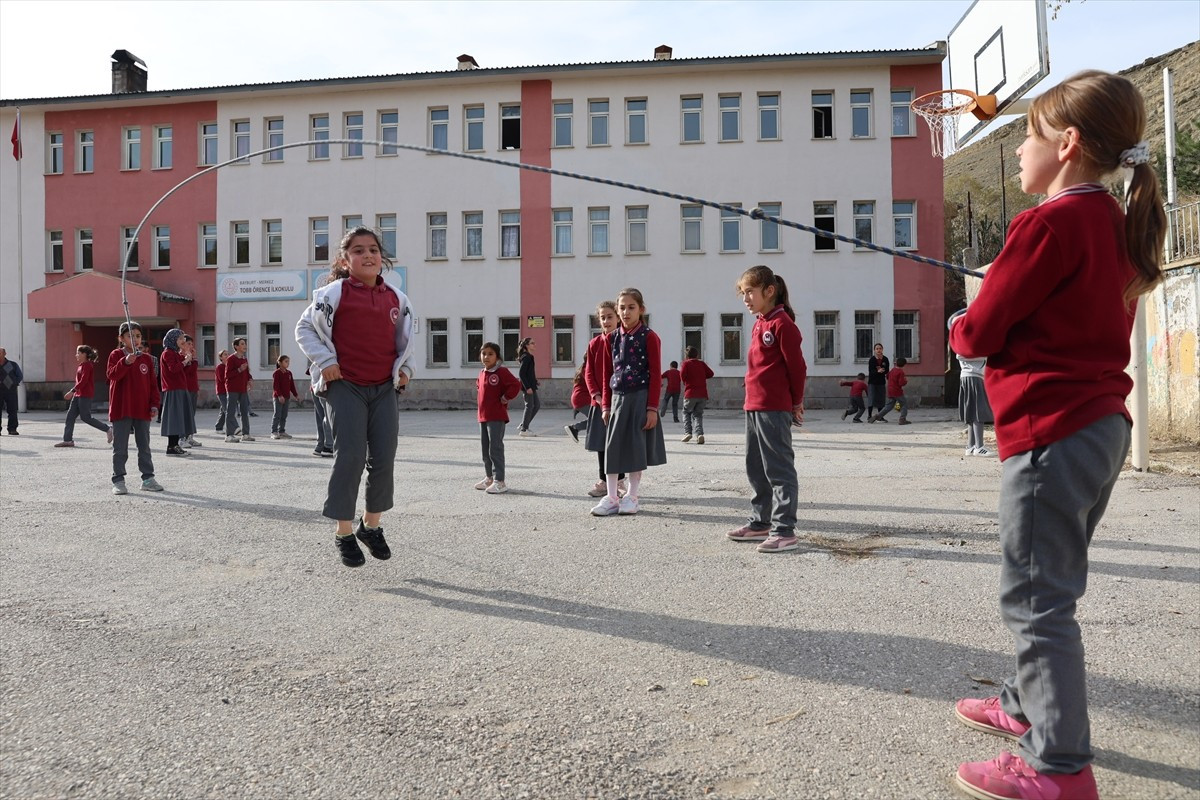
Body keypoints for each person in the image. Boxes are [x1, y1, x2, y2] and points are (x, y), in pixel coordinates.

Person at [947, 70, 1166, 800]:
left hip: (1052, 434)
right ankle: (1022, 707)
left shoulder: (1045, 222)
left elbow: (978, 333)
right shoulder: (1112, 218)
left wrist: (960, 323)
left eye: (1028, 137)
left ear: (1066, 145)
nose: (1015, 153)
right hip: (1099, 429)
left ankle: (1059, 768)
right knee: (1047, 586)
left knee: (1039, 598)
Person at [296, 225, 414, 569]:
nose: (368, 255)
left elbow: (406, 342)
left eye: (373, 249)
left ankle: (370, 526)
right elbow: (303, 328)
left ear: (382, 257)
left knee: (384, 457)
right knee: (349, 454)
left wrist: (407, 370)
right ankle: (344, 532)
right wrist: (326, 361)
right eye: (358, 250)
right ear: (345, 260)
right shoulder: (333, 293)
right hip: (344, 384)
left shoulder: (398, 299)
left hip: (383, 388)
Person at [726, 265, 806, 553]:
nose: (745, 298)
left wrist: (796, 402)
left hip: (774, 408)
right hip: (754, 406)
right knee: (756, 467)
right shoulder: (760, 322)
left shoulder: (782, 324)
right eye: (742, 293)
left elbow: (797, 368)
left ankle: (785, 530)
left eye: (750, 291)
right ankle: (760, 523)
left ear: (769, 291)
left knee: (779, 469)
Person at [592, 288, 666, 516]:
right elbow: (606, 374)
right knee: (612, 447)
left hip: (640, 398)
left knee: (635, 448)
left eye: (631, 307)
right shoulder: (612, 338)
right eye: (621, 308)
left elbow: (655, 374)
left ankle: (632, 497)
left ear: (641, 310)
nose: (625, 312)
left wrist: (652, 408)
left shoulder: (649, 337)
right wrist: (605, 405)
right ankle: (612, 496)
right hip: (617, 399)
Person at [107, 322, 163, 494]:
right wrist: (125, 362)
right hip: (122, 408)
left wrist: (154, 404)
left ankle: (147, 478)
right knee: (120, 447)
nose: (136, 339)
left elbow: (153, 385)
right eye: (131, 336)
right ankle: (118, 480)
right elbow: (112, 375)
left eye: (138, 336)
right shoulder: (116, 355)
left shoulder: (146, 359)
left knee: (144, 446)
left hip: (142, 409)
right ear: (121, 339)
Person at [583, 300, 626, 499]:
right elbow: (589, 372)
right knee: (602, 444)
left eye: (610, 316)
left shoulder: (624, 341)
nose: (606, 321)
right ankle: (603, 480)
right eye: (603, 318)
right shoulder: (594, 343)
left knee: (620, 442)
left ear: (617, 317)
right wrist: (596, 395)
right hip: (599, 403)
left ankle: (620, 480)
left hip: (620, 400)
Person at [475, 341, 522, 494]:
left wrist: (505, 397)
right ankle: (489, 477)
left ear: (497, 356)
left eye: (490, 354)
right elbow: (479, 387)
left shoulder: (501, 372)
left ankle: (499, 481)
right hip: (483, 416)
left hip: (496, 416)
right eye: (484, 354)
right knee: (485, 449)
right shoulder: (482, 373)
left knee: (495, 448)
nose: (486, 357)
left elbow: (515, 385)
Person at [54, 345, 113, 448]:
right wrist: (75, 392)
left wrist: (72, 391)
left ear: (84, 354)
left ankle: (108, 429)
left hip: (85, 395)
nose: (76, 355)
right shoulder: (81, 365)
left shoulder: (88, 365)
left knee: (86, 417)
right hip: (78, 395)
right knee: (70, 417)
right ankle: (68, 440)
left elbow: (84, 381)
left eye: (78, 353)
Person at [158, 328, 196, 456]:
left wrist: (187, 358)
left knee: (179, 418)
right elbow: (173, 369)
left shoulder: (174, 353)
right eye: (180, 338)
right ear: (173, 339)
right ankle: (172, 446)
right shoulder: (168, 353)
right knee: (174, 418)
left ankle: (174, 445)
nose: (182, 341)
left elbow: (184, 371)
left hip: (179, 387)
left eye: (183, 338)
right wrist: (185, 360)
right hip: (173, 388)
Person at [957, 353, 993, 456]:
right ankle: (979, 447)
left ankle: (971, 446)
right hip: (973, 375)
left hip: (971, 375)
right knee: (978, 410)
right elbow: (960, 355)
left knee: (972, 411)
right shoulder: (966, 342)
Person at [680, 346, 714, 444]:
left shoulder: (685, 364)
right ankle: (699, 434)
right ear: (697, 355)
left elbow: (682, 376)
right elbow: (711, 374)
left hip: (690, 393)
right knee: (698, 414)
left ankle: (688, 433)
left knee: (686, 412)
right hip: (702, 394)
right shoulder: (702, 364)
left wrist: (685, 381)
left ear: (686, 356)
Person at [224, 337, 253, 442]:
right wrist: (239, 369)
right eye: (242, 344)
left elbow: (247, 372)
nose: (244, 346)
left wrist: (249, 379)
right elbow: (228, 375)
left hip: (243, 388)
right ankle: (229, 435)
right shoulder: (231, 359)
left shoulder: (244, 358)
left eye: (245, 343)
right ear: (236, 347)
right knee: (231, 411)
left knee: (244, 411)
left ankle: (246, 434)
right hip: (232, 388)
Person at [870, 356, 909, 424]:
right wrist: (905, 381)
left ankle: (878, 416)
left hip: (890, 390)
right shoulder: (900, 372)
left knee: (889, 406)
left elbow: (887, 376)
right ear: (904, 365)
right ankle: (902, 419)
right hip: (897, 391)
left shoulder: (892, 370)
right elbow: (901, 383)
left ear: (896, 363)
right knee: (903, 404)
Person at [306, 360, 334, 457]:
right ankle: (328, 446)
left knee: (321, 417)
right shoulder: (328, 355)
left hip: (316, 387)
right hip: (323, 388)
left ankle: (320, 446)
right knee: (328, 417)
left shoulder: (319, 355)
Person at [516, 337, 540, 437]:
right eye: (532, 343)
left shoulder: (529, 356)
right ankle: (524, 429)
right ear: (527, 346)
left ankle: (523, 424)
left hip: (531, 386)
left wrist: (535, 381)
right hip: (528, 387)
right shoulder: (526, 357)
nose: (534, 345)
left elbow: (528, 373)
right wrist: (527, 387)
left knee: (536, 405)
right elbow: (521, 374)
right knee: (529, 406)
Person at [271, 355, 299, 439]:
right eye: (286, 361)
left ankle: (282, 431)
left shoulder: (289, 373)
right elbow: (276, 386)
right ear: (280, 362)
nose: (288, 363)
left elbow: (291, 385)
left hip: (286, 397)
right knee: (277, 414)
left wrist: (295, 394)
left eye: (288, 361)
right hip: (278, 397)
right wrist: (279, 396)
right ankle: (274, 431)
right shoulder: (277, 373)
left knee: (284, 415)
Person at [181, 335, 202, 447]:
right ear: (182, 345)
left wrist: (193, 359)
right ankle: (182, 437)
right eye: (188, 344)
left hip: (193, 388)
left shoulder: (191, 358)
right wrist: (192, 360)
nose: (191, 346)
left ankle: (190, 437)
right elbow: (187, 371)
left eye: (191, 344)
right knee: (185, 414)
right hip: (185, 389)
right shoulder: (181, 357)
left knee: (191, 414)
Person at [564, 352, 590, 443]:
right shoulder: (587, 369)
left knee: (596, 419)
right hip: (583, 398)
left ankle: (575, 428)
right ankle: (574, 428)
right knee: (596, 419)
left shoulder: (583, 367)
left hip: (579, 398)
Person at [0, 347, 23, 434]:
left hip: (10, 390)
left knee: (12, 410)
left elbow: (19, 376)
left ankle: (12, 429)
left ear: (5, 354)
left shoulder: (12, 365)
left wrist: (13, 383)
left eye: (0, 353)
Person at [866, 343, 890, 418]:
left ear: (882, 349)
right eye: (877, 349)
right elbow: (871, 371)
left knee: (881, 399)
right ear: (874, 350)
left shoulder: (885, 359)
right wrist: (877, 372)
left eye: (880, 348)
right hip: (872, 382)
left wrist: (884, 370)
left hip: (881, 382)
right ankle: (869, 416)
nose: (879, 350)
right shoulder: (872, 359)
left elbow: (887, 370)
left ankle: (880, 416)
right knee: (871, 398)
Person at [213, 349, 229, 432]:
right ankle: (233, 428)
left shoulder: (229, 366)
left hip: (228, 391)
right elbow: (222, 379)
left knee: (223, 409)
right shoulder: (220, 367)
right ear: (221, 357)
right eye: (225, 355)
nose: (227, 356)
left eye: (227, 354)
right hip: (221, 391)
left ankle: (218, 427)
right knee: (227, 409)